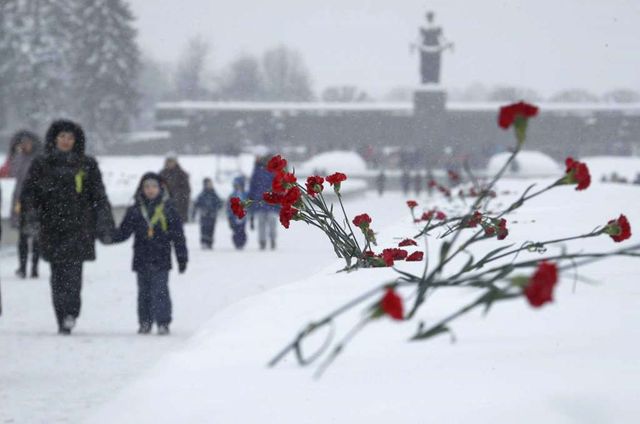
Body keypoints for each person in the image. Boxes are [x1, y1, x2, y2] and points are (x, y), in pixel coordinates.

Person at [20, 120, 114, 334]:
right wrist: (32, 218)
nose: (66, 141)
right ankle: (62, 317)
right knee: (57, 275)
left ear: (76, 140)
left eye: (70, 137)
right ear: (54, 139)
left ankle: (71, 312)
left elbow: (98, 195)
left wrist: (104, 222)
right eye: (62, 137)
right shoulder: (42, 164)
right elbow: (30, 195)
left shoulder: (87, 164)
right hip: (52, 228)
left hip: (79, 228)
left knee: (74, 275)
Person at [111, 172, 188, 335]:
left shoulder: (169, 209)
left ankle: (163, 322)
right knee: (143, 292)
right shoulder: (135, 210)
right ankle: (145, 321)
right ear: (141, 189)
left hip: (161, 257)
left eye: (154, 186)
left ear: (161, 189)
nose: (150, 190)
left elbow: (178, 237)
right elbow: (124, 232)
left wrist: (182, 258)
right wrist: (108, 236)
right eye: (146, 187)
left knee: (160, 291)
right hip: (141, 257)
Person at [9, 130, 41, 278]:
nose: (25, 145)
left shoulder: (38, 159)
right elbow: (12, 172)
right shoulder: (19, 158)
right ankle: (22, 268)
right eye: (23, 143)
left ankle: (34, 268)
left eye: (27, 143)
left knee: (35, 236)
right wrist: (16, 156)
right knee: (22, 236)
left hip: (35, 200)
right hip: (20, 201)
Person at [248, 156, 279, 250]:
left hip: (268, 201)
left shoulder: (271, 172)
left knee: (269, 222)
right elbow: (252, 187)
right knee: (263, 223)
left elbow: (277, 187)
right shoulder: (258, 172)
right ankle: (263, 241)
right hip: (262, 201)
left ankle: (270, 240)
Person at [192, 177, 223, 249]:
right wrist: (194, 214)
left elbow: (219, 203)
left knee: (211, 229)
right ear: (205, 185)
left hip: (212, 216)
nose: (210, 185)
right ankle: (204, 242)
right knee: (204, 229)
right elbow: (196, 204)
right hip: (204, 215)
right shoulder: (202, 194)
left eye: (211, 184)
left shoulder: (214, 194)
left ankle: (210, 243)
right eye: (208, 184)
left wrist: (216, 208)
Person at [159, 155, 191, 223]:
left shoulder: (181, 174)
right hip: (164, 206)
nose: (170, 163)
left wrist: (177, 196)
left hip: (178, 205)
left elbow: (186, 191)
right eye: (169, 161)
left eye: (172, 161)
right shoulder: (162, 174)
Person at [227, 175, 248, 249]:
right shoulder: (232, 195)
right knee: (236, 231)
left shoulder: (245, 194)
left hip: (243, 217)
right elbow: (229, 207)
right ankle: (237, 243)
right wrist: (229, 216)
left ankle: (242, 243)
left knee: (242, 231)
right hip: (234, 217)